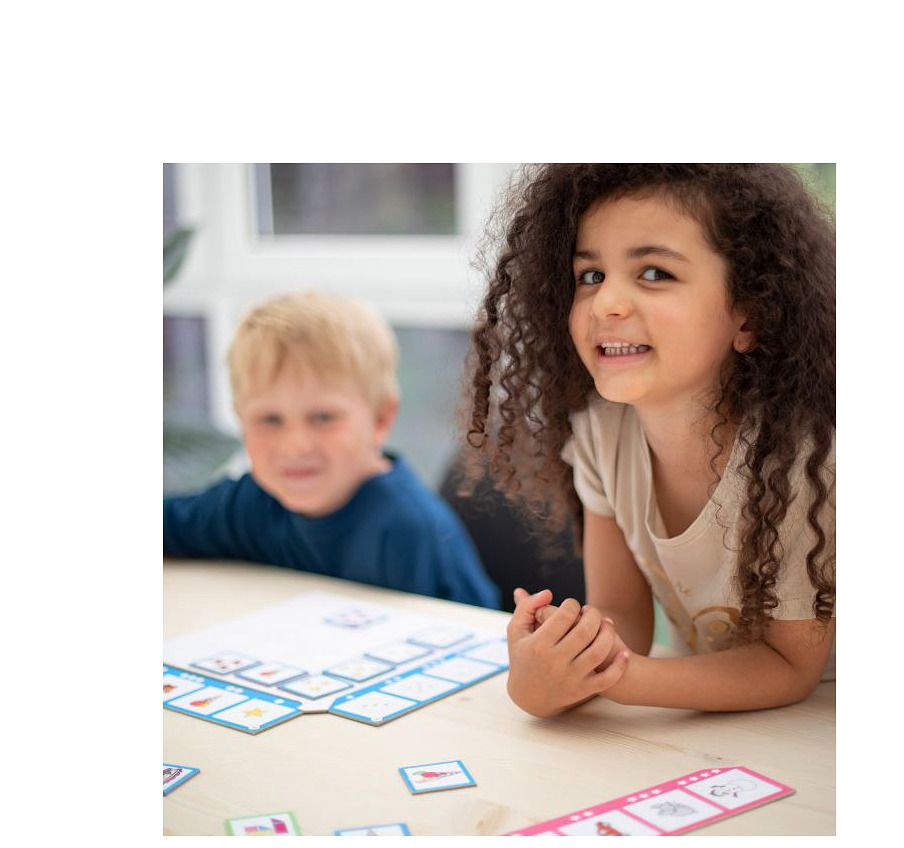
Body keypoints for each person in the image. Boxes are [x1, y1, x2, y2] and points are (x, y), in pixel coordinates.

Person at [465, 164, 834, 716]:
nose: (606, 303)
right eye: (591, 275)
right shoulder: (600, 433)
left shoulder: (806, 459)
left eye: (655, 273)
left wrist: (620, 677)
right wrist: (568, 655)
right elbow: (621, 613)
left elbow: (788, 667)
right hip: (716, 732)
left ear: (749, 314)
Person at [164, 291, 500, 609]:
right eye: (269, 419)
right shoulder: (250, 503)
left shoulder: (405, 528)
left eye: (323, 417)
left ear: (380, 419)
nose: (295, 446)